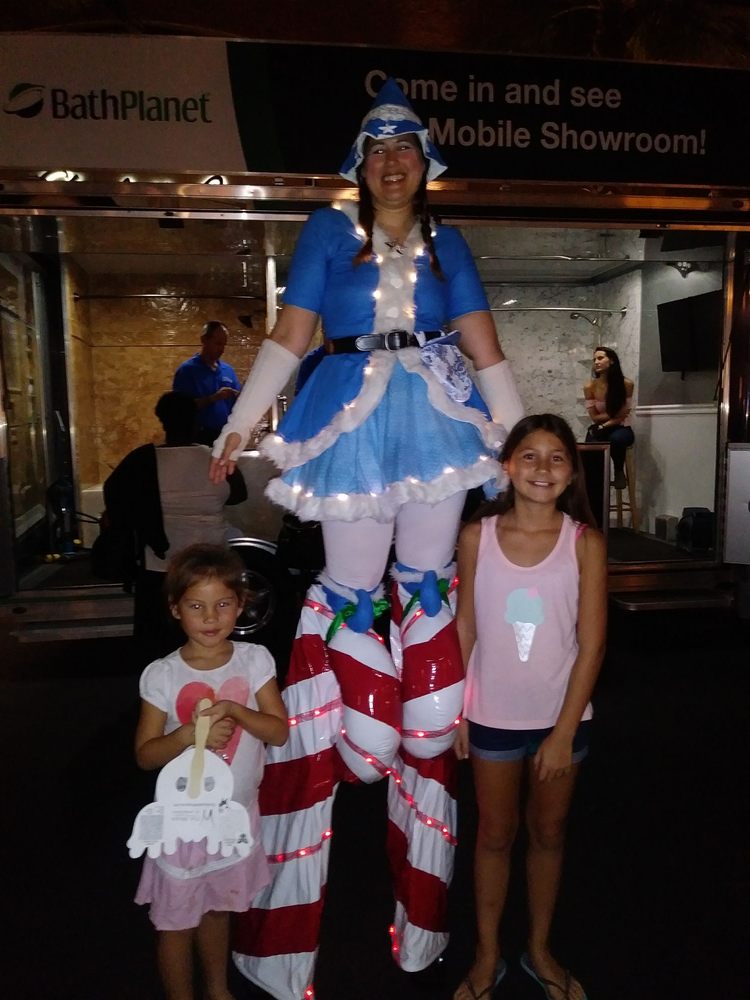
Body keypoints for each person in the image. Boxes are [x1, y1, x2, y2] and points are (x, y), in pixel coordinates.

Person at [209, 80, 524, 999]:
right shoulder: (324, 231)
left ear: (426, 164)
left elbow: (483, 345)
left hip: (434, 419)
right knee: (349, 591)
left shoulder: (449, 241)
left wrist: (520, 441)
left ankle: (422, 852)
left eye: (406, 149)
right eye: (378, 149)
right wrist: (238, 426)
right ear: (359, 163)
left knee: (427, 580)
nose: (392, 162)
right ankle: (356, 728)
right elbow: (291, 333)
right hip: (345, 417)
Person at [453, 414, 607, 1000]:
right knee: (494, 834)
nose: (543, 468)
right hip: (491, 715)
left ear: (572, 474)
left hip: (560, 720)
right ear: (507, 466)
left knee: (549, 831)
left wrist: (564, 732)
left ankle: (539, 948)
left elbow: (592, 644)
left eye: (557, 457)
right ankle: (487, 951)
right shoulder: (477, 536)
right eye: (530, 456)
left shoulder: (584, 543)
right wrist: (457, 711)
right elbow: (465, 626)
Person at [133, 543, 288, 1000]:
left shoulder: (254, 660)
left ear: (241, 605)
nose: (210, 617)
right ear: (175, 609)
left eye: (222, 604)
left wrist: (237, 711)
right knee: (175, 921)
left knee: (218, 909)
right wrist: (186, 736)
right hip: (182, 824)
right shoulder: (163, 675)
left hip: (233, 818)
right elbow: (145, 754)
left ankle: (219, 991)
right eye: (196, 606)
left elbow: (278, 731)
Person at [103, 392, 247, 659]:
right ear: (196, 420)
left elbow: (116, 499)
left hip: (161, 566)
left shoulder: (143, 460)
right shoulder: (215, 457)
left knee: (159, 647)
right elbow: (239, 494)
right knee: (210, 638)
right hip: (212, 561)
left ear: (162, 421)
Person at [173, 321, 242, 444]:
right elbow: (181, 409)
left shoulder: (228, 370)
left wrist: (240, 396)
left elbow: (238, 401)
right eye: (218, 343)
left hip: (224, 434)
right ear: (204, 340)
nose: (222, 349)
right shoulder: (187, 370)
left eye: (224, 345)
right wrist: (213, 398)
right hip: (198, 436)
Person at [583, 346, 635, 490]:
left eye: (600, 358)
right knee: (591, 446)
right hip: (601, 427)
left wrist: (605, 423)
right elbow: (594, 417)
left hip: (621, 427)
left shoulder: (626, 384)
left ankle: (619, 470)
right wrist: (614, 413)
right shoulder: (590, 386)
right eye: (594, 359)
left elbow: (623, 415)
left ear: (611, 361)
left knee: (616, 438)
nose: (596, 362)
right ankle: (594, 484)